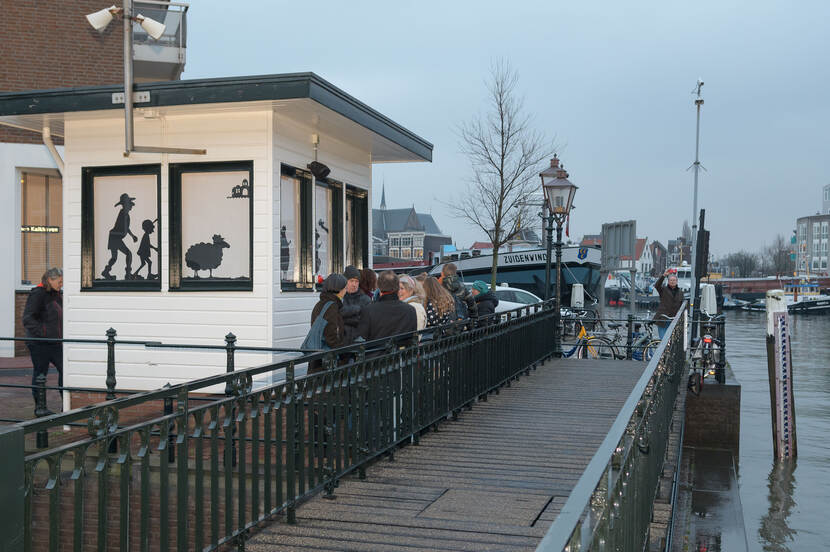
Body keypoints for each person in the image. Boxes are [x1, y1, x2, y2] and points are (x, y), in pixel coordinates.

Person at [22, 268, 63, 414]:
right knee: (40, 374)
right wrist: (44, 333)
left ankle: (67, 405)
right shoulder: (38, 294)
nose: (61, 284)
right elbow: (27, 319)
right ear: (50, 280)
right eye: (59, 281)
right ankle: (40, 408)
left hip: (56, 342)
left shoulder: (56, 294)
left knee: (65, 370)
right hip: (39, 343)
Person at [356, 271, 417, 342]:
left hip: (376, 352)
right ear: (397, 287)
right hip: (402, 352)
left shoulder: (369, 310)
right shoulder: (410, 310)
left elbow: (362, 336)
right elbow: (412, 338)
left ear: (379, 287)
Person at [308, 273, 350, 373]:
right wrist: (344, 355)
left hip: (316, 358)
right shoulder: (332, 307)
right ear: (339, 289)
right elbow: (331, 335)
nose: (346, 290)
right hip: (327, 362)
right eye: (345, 288)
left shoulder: (319, 304)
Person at [102, 193, 138, 280]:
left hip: (115, 236)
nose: (131, 207)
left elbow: (126, 228)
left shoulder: (125, 215)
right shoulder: (123, 214)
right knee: (128, 254)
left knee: (114, 257)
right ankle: (128, 274)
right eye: (129, 205)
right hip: (115, 237)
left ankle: (106, 272)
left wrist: (132, 236)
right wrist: (125, 234)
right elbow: (124, 228)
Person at [341, 265, 370, 341]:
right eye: (351, 281)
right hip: (340, 343)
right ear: (345, 281)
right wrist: (357, 309)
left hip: (359, 342)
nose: (354, 284)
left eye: (356, 281)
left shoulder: (366, 299)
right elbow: (337, 315)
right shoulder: (340, 297)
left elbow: (366, 322)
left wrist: (344, 318)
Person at [653, 268, 685, 339]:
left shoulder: (680, 292)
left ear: (677, 281)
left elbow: (682, 305)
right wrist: (663, 275)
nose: (672, 282)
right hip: (663, 318)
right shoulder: (663, 290)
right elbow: (657, 285)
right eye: (671, 280)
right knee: (662, 339)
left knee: (671, 340)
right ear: (668, 281)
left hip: (673, 320)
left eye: (674, 280)